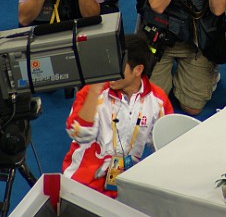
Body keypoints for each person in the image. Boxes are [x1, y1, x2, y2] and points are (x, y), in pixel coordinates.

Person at [62, 34, 173, 197]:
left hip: (125, 181)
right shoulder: (93, 91)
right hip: (83, 181)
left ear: (138, 70)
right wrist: (94, 91)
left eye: (119, 67)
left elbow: (167, 144)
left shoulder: (158, 101)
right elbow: (78, 134)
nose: (111, 72)